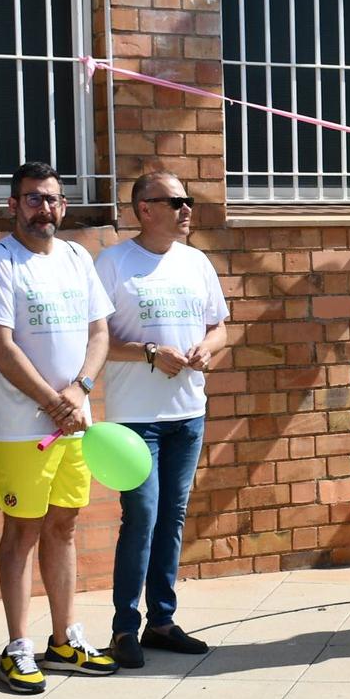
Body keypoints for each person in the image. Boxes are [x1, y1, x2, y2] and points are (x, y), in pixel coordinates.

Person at [0, 162, 117, 690]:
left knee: (65, 525)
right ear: (14, 205)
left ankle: (64, 639)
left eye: (53, 199)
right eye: (33, 199)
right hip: (20, 425)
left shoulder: (78, 257)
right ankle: (18, 645)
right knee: (22, 530)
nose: (45, 209)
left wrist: (79, 389)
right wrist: (51, 400)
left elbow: (99, 331)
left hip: (75, 419)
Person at [96, 169, 229, 667]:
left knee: (171, 519)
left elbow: (220, 328)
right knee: (143, 518)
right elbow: (96, 339)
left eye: (188, 201)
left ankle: (162, 620)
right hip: (136, 419)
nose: (187, 210)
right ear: (144, 208)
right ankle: (123, 628)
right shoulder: (113, 264)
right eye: (176, 202)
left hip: (188, 413)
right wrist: (149, 351)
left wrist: (206, 350)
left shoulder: (196, 263)